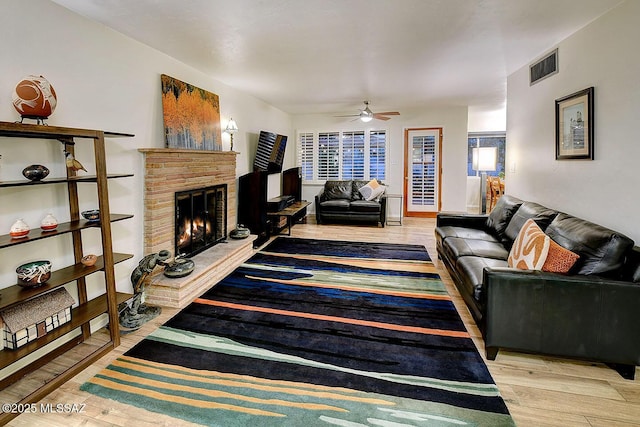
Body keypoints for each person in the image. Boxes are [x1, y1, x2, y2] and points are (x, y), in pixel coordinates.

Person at [118, 250, 171, 331]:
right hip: (138, 276)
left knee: (138, 294)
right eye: (165, 259)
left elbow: (158, 262)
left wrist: (165, 264)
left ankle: (136, 307)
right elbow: (143, 275)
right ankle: (133, 313)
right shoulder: (151, 263)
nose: (165, 260)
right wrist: (138, 286)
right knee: (138, 294)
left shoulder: (155, 255)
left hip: (137, 273)